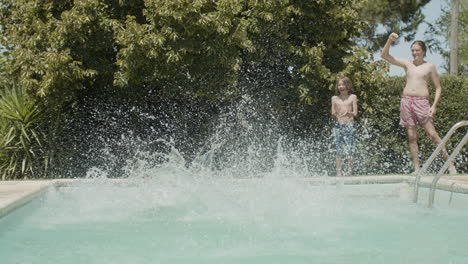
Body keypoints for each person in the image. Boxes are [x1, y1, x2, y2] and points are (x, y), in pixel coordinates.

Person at [381, 32, 456, 174]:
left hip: (422, 103)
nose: (415, 53)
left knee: (432, 135)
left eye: (417, 50)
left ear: (423, 51)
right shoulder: (407, 64)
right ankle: (417, 169)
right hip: (406, 102)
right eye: (413, 50)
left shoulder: (430, 67)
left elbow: (438, 87)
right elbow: (385, 56)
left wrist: (434, 106)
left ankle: (450, 163)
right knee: (412, 137)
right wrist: (389, 41)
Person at [331, 77, 358, 176]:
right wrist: (335, 113)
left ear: (348, 85)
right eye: (339, 85)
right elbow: (333, 112)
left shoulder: (353, 97)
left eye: (343, 84)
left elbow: (355, 113)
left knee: (349, 149)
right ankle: (339, 172)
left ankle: (350, 172)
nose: (341, 86)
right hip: (339, 126)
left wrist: (348, 113)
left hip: (349, 125)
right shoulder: (334, 98)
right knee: (338, 149)